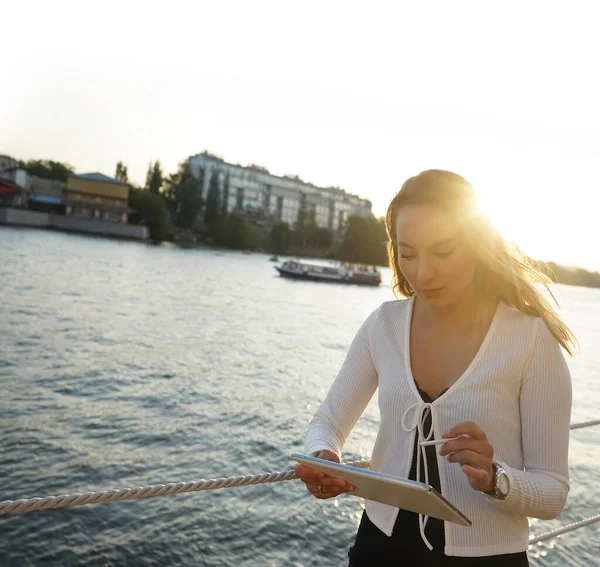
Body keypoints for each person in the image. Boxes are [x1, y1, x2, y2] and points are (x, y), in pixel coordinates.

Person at [295, 170, 576, 566]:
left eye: (443, 251)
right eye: (408, 253)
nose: (424, 273)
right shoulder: (384, 325)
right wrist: (322, 456)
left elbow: (553, 492)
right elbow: (327, 420)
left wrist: (496, 478)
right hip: (377, 549)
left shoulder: (530, 341)